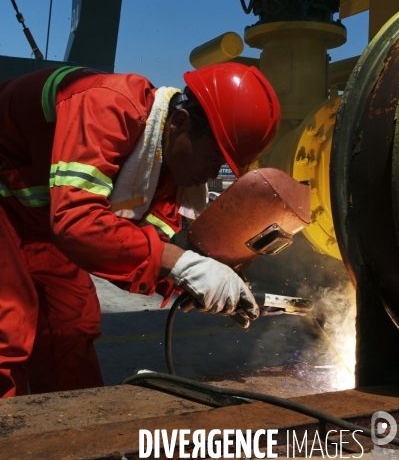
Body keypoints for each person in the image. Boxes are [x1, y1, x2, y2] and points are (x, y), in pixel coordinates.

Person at [0, 62, 280, 397]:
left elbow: (136, 246)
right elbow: (76, 222)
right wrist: (185, 266)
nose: (210, 173)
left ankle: (72, 433)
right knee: (8, 325)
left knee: (70, 325)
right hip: (15, 204)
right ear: (180, 122)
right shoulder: (108, 107)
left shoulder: (164, 171)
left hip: (34, 214)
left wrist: (193, 283)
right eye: (212, 157)